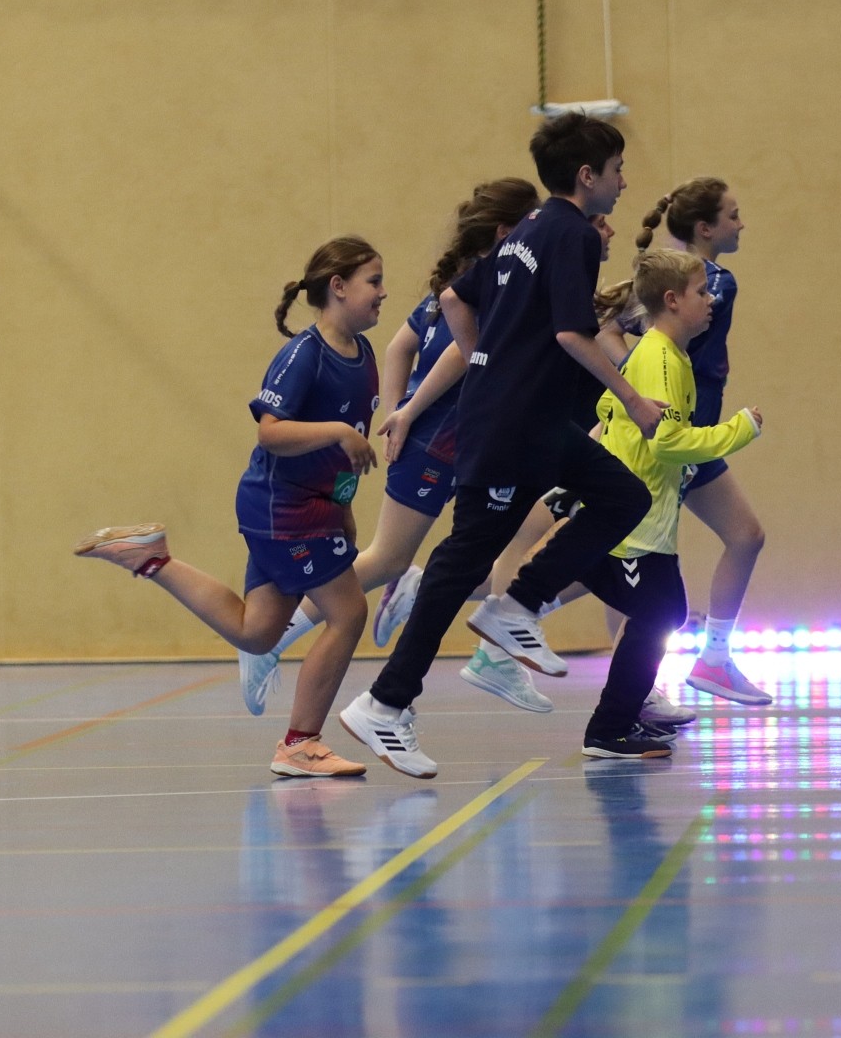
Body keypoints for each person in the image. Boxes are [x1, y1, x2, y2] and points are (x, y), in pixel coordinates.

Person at [337, 112, 665, 779]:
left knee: (622, 496)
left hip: (529, 421)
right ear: (587, 175)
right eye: (617, 170)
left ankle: (516, 605)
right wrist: (632, 399)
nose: (623, 182)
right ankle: (385, 703)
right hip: (514, 424)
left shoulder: (532, 228)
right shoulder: (571, 233)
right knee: (461, 561)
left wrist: (487, 360)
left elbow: (455, 298)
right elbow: (571, 333)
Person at [72, 235, 385, 777]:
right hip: (284, 507)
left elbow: (343, 452)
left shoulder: (364, 355)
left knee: (257, 632)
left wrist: (344, 507)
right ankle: (301, 744)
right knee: (349, 612)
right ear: (338, 287)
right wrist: (337, 432)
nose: (383, 293)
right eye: (373, 281)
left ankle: (152, 558)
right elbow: (271, 433)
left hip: (310, 506)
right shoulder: (304, 355)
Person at [233, 179, 543, 715]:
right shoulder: (480, 288)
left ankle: (462, 625)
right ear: (505, 232)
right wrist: (406, 414)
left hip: (462, 439)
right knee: (386, 558)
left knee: (500, 541)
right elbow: (462, 355)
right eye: (532, 225)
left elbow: (399, 347)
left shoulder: (464, 285)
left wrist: (394, 409)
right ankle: (275, 641)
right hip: (436, 442)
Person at [573, 247, 761, 757]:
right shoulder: (659, 357)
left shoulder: (668, 357)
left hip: (645, 513)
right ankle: (608, 727)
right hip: (635, 517)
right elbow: (668, 442)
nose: (710, 301)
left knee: (657, 609)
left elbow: (612, 408)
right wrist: (739, 430)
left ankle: (621, 717)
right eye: (702, 293)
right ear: (673, 300)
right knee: (658, 611)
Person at [599, 178, 772, 707]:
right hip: (679, 439)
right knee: (606, 558)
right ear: (705, 228)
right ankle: (509, 605)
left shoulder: (673, 278)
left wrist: (632, 385)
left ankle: (700, 664)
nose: (741, 224)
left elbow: (607, 329)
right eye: (733, 215)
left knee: (742, 536)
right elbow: (620, 332)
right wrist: (640, 391)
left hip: (685, 438)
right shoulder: (712, 283)